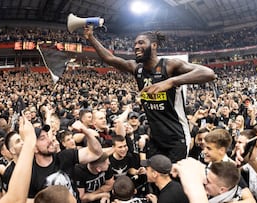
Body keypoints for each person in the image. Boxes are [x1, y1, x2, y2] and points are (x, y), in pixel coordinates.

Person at [84, 27, 216, 162]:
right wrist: (91, 37)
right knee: (153, 179)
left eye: (141, 43)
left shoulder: (170, 65)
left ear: (154, 45)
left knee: (172, 179)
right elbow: (109, 58)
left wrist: (171, 82)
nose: (136, 46)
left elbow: (209, 74)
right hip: (155, 138)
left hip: (177, 138)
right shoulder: (136, 68)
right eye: (135, 44)